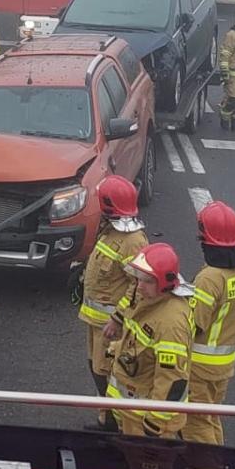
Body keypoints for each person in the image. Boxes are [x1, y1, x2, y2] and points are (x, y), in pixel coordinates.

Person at [180, 200, 235, 469]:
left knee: (196, 424)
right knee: (210, 418)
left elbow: (194, 323)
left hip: (199, 365)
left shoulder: (210, 278)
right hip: (223, 364)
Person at [77, 174, 150, 431]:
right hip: (95, 320)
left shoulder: (133, 241)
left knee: (107, 373)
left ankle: (113, 424)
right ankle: (106, 418)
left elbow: (138, 286)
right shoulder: (110, 231)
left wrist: (118, 318)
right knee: (96, 368)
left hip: (110, 326)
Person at [102, 243, 194, 440]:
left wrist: (155, 424)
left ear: (164, 283)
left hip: (145, 423)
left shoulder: (171, 323)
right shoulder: (147, 298)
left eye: (148, 281)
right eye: (139, 279)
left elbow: (172, 380)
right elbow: (139, 339)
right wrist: (119, 348)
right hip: (131, 410)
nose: (139, 286)